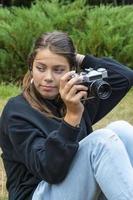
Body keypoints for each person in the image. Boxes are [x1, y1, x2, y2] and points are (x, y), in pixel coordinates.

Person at [0, 31, 133, 200]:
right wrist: (72, 117)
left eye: (58, 69)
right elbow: (49, 171)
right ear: (30, 66)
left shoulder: (75, 95)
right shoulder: (16, 111)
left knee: (121, 129)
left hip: (73, 186)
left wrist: (74, 57)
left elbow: (124, 77)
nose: (48, 78)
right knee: (101, 141)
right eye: (40, 68)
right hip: (37, 193)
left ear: (72, 71)